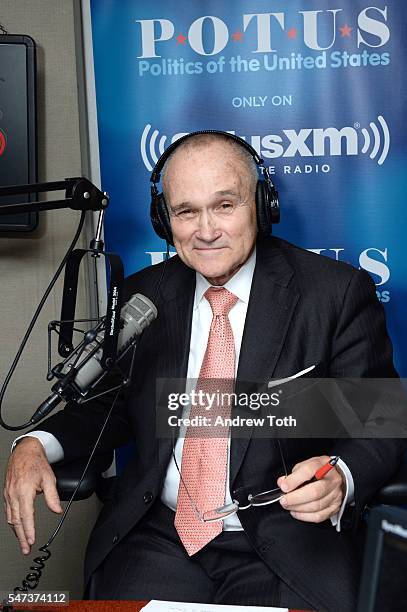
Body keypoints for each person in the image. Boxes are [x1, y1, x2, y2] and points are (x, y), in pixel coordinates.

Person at [3, 131, 406, 611]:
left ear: (260, 204)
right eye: (186, 211)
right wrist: (34, 443)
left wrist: (341, 477)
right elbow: (109, 407)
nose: (206, 230)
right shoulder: (144, 296)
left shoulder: (334, 294)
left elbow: (381, 423)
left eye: (225, 205)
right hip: (159, 536)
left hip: (285, 539)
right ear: (164, 220)